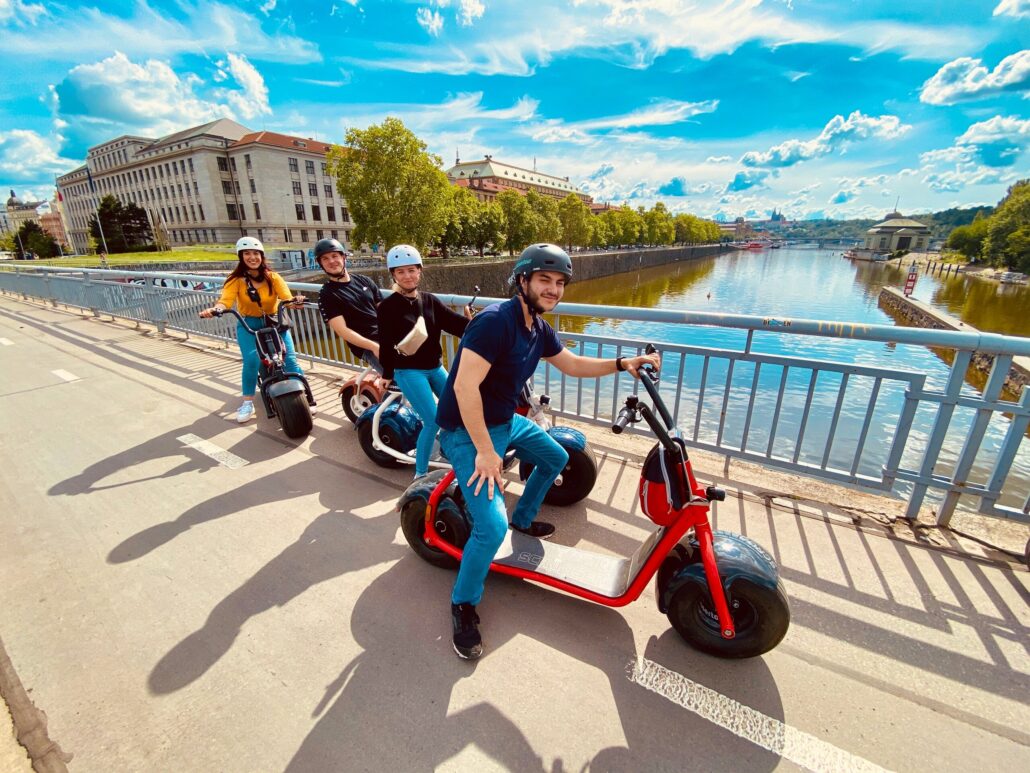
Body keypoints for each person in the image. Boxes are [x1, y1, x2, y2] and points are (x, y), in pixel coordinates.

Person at [435, 243, 660, 660]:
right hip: (468, 432)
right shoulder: (493, 323)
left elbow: (571, 364)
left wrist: (622, 363)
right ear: (522, 280)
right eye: (545, 280)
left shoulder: (538, 328)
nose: (553, 289)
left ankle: (522, 519)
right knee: (489, 528)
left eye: (559, 282)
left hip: (504, 421)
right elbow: (465, 388)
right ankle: (463, 603)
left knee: (556, 457)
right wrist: (486, 452)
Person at [376, 245, 472, 478]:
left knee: (459, 407)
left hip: (435, 367)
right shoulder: (387, 308)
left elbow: (456, 325)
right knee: (432, 420)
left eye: (412, 270)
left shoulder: (430, 301)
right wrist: (387, 374)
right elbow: (386, 345)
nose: (407, 276)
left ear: (420, 271)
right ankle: (419, 474)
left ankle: (455, 452)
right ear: (394, 275)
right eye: (401, 272)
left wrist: (476, 322)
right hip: (409, 371)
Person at [199, 236, 307, 423]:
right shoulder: (236, 280)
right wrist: (216, 309)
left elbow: (286, 297)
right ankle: (247, 402)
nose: (252, 257)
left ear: (262, 256)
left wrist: (295, 302)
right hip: (249, 324)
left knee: (289, 358)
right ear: (241, 257)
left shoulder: (273, 277)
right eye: (247, 253)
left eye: (256, 253)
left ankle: (303, 396)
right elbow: (225, 301)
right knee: (251, 360)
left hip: (274, 321)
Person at [315, 238, 383, 375]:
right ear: (321, 263)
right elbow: (343, 331)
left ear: (343, 257)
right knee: (398, 379)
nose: (331, 261)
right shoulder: (327, 294)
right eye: (325, 259)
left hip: (385, 336)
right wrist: (374, 347)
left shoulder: (364, 280)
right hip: (366, 345)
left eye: (335, 256)